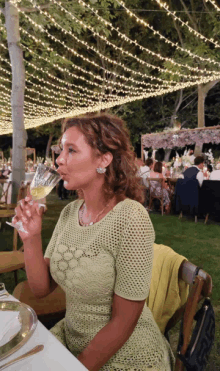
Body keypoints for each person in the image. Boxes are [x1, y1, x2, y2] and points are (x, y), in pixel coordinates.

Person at [12, 114, 174, 371]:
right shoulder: (69, 213)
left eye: (71, 150)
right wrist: (31, 238)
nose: (59, 159)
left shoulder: (131, 218)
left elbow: (124, 322)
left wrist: (76, 367)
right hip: (73, 340)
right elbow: (41, 288)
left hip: (126, 354)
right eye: (61, 150)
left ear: (103, 159)